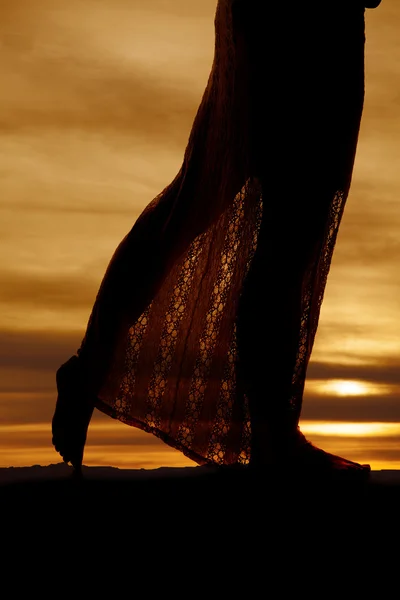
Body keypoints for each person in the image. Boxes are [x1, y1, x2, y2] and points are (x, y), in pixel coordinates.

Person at [52, 0, 381, 476]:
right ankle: (273, 440)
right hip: (308, 22)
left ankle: (91, 365)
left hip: (279, 18)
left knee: (213, 199)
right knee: (285, 223)